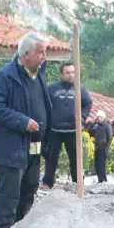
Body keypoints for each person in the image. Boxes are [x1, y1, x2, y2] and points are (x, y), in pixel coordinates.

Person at [0, 31, 52, 228]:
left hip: (33, 149)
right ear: (26, 54)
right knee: (9, 197)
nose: (44, 57)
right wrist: (22, 122)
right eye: (41, 52)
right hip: (10, 150)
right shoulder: (6, 76)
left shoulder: (38, 76)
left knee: (28, 192)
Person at [42, 61, 93, 189]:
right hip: (55, 130)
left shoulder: (80, 89)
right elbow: (44, 104)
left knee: (75, 158)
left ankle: (77, 184)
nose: (71, 75)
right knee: (51, 157)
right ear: (61, 74)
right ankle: (47, 183)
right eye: (68, 73)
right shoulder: (52, 88)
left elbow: (88, 103)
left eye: (73, 72)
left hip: (73, 130)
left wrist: (82, 116)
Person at [88, 109, 113, 184]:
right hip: (97, 148)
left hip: (103, 148)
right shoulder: (96, 125)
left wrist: (106, 148)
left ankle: (103, 180)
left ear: (104, 118)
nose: (99, 119)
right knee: (97, 165)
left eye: (100, 117)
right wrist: (93, 123)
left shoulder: (107, 125)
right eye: (98, 117)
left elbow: (110, 138)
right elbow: (90, 132)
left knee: (101, 165)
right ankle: (100, 180)